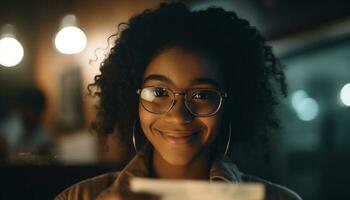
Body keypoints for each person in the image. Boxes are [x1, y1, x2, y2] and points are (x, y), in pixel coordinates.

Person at [55, 2, 302, 200]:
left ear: (229, 104)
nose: (179, 116)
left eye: (202, 95)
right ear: (133, 97)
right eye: (159, 92)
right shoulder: (79, 197)